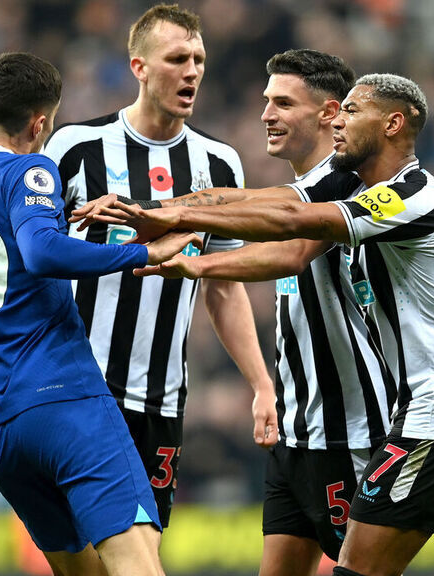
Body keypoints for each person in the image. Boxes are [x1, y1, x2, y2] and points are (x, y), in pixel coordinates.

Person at [84, 73, 434, 576]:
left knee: (357, 568)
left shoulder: (413, 194)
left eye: (352, 112)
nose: (340, 122)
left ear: (393, 124)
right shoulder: (353, 183)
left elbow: (291, 224)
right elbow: (264, 201)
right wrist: (170, 212)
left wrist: (179, 222)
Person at [0, 52, 201, 576]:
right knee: (139, 566)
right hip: (66, 404)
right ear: (40, 123)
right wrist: (145, 252)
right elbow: (42, 253)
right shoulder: (29, 169)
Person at [134, 49, 394, 576]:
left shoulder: (347, 183)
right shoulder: (290, 192)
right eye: (264, 101)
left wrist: (196, 260)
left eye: (282, 102)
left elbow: (291, 245)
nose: (265, 114)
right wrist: (267, 387)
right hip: (298, 429)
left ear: (328, 113)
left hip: (352, 429)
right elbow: (242, 205)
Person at [43, 2, 276, 531]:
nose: (192, 70)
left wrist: (261, 383)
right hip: (80, 389)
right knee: (98, 551)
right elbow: (36, 260)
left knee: (142, 542)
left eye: (198, 58)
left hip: (160, 401)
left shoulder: (220, 164)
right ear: (139, 68)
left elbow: (224, 286)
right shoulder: (76, 149)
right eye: (176, 58)